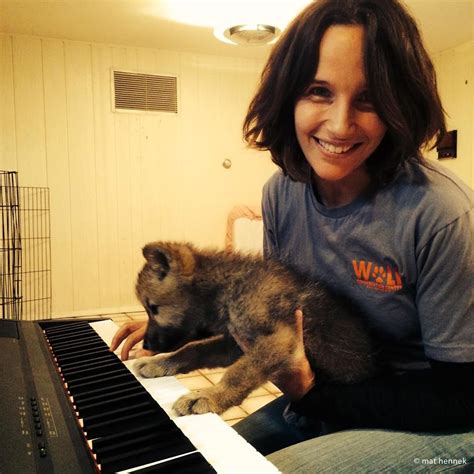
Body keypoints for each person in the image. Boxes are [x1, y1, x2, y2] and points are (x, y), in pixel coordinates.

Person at [111, 0, 474, 471]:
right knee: (190, 461)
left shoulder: (442, 213)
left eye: (369, 98)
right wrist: (180, 326)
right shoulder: (281, 194)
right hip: (331, 395)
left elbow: (459, 398)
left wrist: (311, 392)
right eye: (319, 91)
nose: (341, 125)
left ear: (399, 104)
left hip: (440, 421)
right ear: (288, 97)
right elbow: (279, 323)